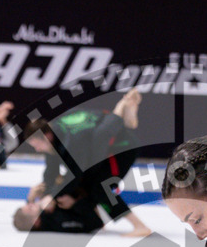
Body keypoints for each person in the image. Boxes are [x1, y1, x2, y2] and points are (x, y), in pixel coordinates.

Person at [14, 89, 151, 237]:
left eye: (36, 145)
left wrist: (53, 196)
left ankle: (140, 227)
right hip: (102, 128)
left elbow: (77, 173)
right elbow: (51, 172)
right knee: (83, 182)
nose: (37, 149)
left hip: (122, 147)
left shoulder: (70, 143)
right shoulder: (54, 137)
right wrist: (45, 190)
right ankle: (122, 115)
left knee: (100, 187)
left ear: (46, 136)